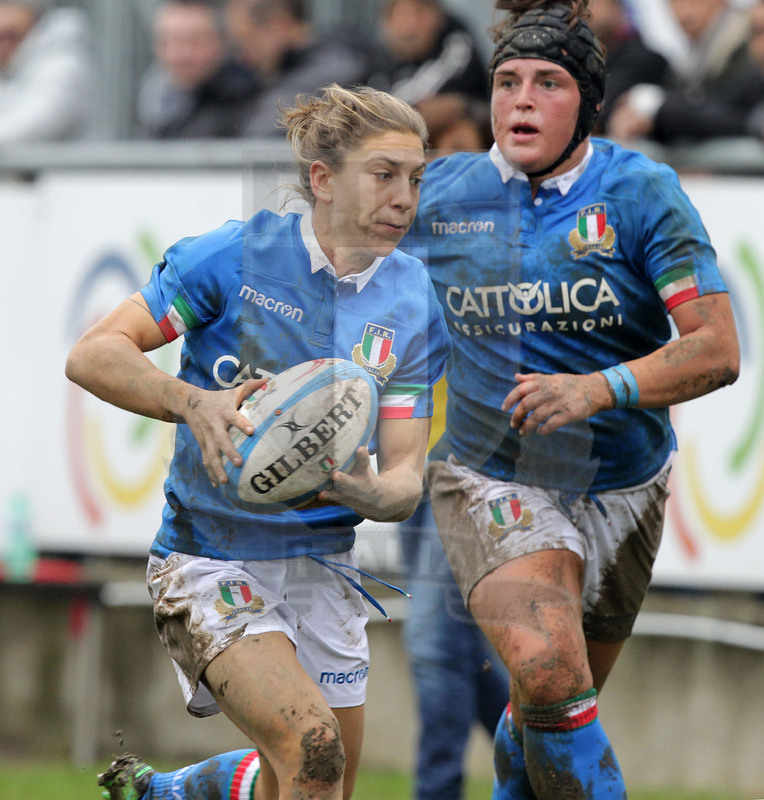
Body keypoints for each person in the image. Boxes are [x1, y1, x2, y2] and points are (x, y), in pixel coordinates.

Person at [66, 83, 451, 800]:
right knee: (313, 747)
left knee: (315, 779)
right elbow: (94, 353)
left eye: (416, 179)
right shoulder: (234, 258)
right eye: (384, 175)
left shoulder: (411, 300)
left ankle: (175, 793)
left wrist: (374, 493)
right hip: (208, 558)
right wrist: (193, 402)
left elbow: (406, 476)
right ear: (322, 179)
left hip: (325, 565)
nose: (404, 199)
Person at [399, 0, 740, 797]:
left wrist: (598, 389)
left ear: (587, 103)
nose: (521, 100)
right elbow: (326, 266)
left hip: (625, 484)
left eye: (547, 83)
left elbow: (717, 349)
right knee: (550, 669)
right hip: (489, 475)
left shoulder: (640, 192)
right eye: (507, 82)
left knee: (545, 710)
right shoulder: (441, 195)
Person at [398, 377, 510, 800]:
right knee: (457, 649)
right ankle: (548, 766)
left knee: (432, 641)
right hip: (413, 458)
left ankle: (436, 791)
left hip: (476, 460)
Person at [608, 0, 764, 143]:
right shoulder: (692, 58)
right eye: (675, 2)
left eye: (695, 1)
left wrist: (656, 105)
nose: (685, 12)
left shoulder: (745, 52)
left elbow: (736, 118)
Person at [224, 0, 373, 138]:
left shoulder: (330, 72)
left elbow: (262, 134)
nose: (243, 58)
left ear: (279, 24)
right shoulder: (282, 74)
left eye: (247, 39)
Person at [367, 0, 491, 153]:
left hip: (455, 134)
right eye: (400, 15)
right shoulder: (378, 62)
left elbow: (446, 108)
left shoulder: (456, 47)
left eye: (419, 13)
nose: (410, 26)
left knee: (460, 133)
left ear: (437, 16)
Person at [136, 0, 260, 139]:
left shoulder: (249, 101)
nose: (180, 55)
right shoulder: (154, 99)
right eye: (168, 42)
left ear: (221, 42)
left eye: (194, 42)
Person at [0, 0, 96, 143]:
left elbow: (29, 129)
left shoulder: (63, 65)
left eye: (8, 35)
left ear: (33, 16)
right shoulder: (12, 66)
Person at [586, 0, 669, 133]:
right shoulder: (576, 57)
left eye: (597, 3)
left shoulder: (644, 59)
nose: (589, 13)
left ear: (619, 10)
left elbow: (600, 109)